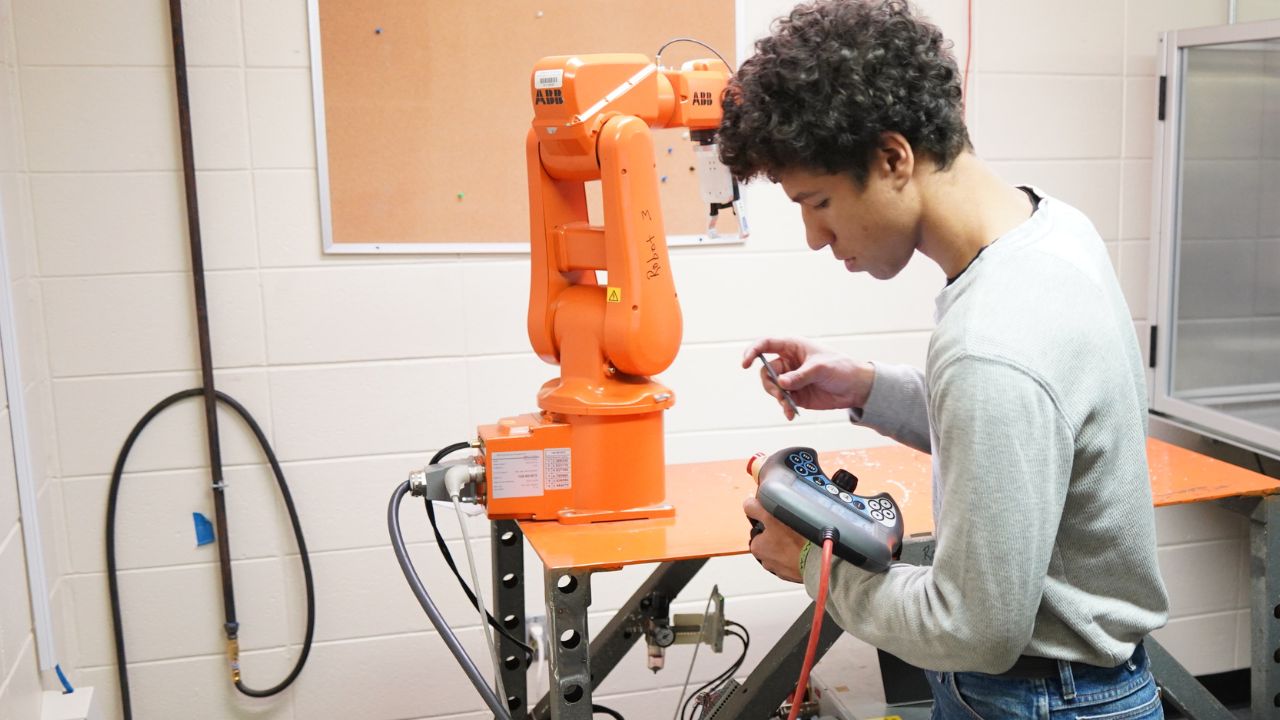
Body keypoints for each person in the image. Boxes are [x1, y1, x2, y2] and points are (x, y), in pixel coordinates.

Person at [717, 1, 1170, 718]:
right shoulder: (1050, 229)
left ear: (893, 158)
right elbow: (1022, 434)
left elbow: (973, 627)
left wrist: (811, 568)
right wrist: (867, 388)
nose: (813, 237)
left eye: (820, 202)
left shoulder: (993, 339)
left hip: (1038, 700)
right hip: (1075, 690)